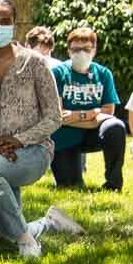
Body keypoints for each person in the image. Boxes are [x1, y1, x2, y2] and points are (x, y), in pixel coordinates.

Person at [0, 0, 83, 258]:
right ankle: (48, 222)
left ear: (14, 25)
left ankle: (28, 241)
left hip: (34, 151)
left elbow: (53, 117)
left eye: (5, 21)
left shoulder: (35, 63)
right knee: (2, 235)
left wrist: (18, 140)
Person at [50, 27, 125, 191]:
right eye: (76, 49)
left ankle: (113, 184)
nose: (81, 53)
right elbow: (59, 116)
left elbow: (109, 111)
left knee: (115, 126)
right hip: (64, 135)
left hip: (94, 133)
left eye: (86, 49)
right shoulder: (57, 73)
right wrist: (94, 115)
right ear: (69, 51)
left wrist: (80, 115)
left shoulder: (104, 74)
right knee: (70, 185)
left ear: (94, 50)